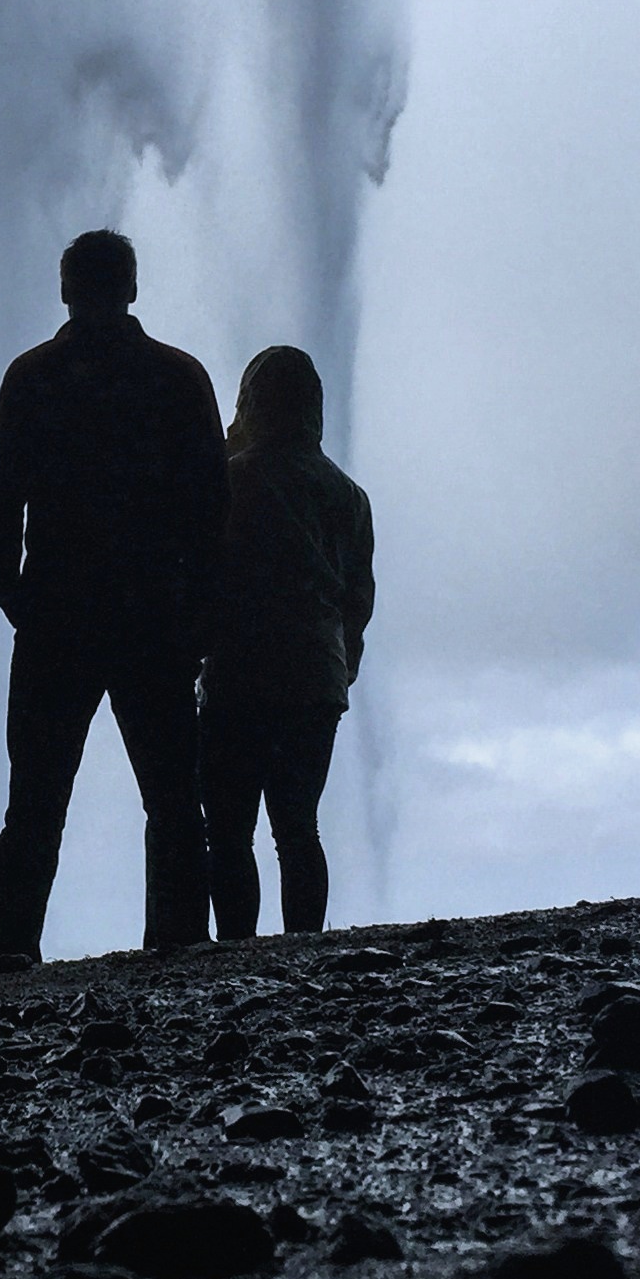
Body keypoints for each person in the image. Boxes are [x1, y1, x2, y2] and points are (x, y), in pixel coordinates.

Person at [0, 229, 228, 966]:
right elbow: (212, 508)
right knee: (174, 796)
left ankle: (14, 941)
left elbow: (1, 503)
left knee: (37, 795)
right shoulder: (181, 378)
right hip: (154, 613)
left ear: (65, 289)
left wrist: (12, 589)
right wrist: (198, 610)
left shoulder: (31, 377)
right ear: (133, 288)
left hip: (58, 610)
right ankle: (178, 933)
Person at [199, 345, 376, 938]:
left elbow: (202, 571)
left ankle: (235, 949)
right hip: (315, 674)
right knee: (298, 825)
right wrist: (342, 665)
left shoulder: (231, 480)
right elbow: (360, 598)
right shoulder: (348, 495)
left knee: (227, 829)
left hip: (238, 672)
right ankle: (306, 945)